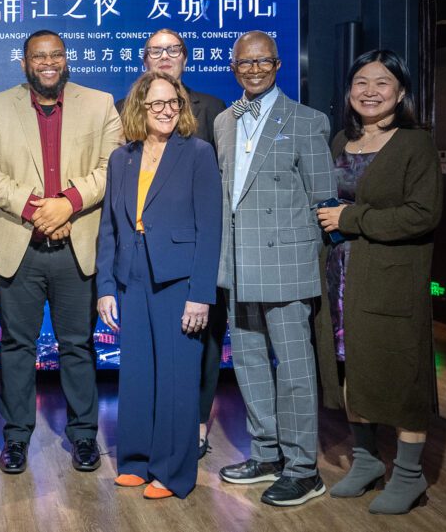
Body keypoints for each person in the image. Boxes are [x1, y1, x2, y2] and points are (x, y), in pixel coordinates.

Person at [0, 29, 122, 475]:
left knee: (77, 346)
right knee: (16, 346)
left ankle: (82, 436)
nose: (48, 62)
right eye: (39, 56)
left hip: (77, 246)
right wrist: (39, 209)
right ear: (25, 63)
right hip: (18, 246)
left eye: (56, 54)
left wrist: (68, 204)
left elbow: (109, 165)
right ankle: (15, 438)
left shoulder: (100, 103)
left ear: (66, 59)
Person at [314, 50, 442, 515]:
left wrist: (353, 217)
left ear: (401, 92)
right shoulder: (338, 141)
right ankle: (366, 460)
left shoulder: (415, 144)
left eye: (382, 83)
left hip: (391, 279)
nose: (370, 91)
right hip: (339, 277)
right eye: (360, 82)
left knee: (400, 373)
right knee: (351, 370)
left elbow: (423, 215)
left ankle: (409, 475)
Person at [214, 30, 336, 507]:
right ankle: (265, 454)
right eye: (245, 62)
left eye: (263, 61)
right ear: (234, 67)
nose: (255, 69)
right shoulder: (227, 120)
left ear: (279, 64)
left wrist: (310, 260)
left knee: (296, 370)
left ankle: (303, 467)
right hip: (238, 265)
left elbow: (323, 200)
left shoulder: (307, 120)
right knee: (247, 364)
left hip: (286, 264)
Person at [97, 71, 222, 499]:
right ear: (139, 109)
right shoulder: (122, 158)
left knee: (177, 379)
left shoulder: (198, 153)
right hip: (131, 278)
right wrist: (106, 287)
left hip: (179, 281)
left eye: (174, 103)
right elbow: (110, 227)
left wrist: (201, 294)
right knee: (135, 376)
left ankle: (172, 472)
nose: (167, 111)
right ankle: (135, 460)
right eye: (157, 104)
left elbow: (211, 229)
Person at [115, 28, 227, 458]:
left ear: (185, 57)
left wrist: (203, 283)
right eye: (155, 51)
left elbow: (213, 201)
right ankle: (148, 447)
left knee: (194, 356)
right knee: (143, 365)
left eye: (173, 50)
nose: (164, 57)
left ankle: (192, 432)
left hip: (186, 261)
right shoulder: (126, 128)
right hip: (139, 266)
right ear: (144, 61)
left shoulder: (212, 112)